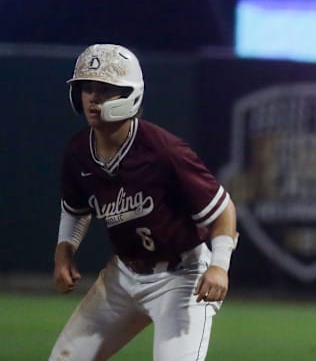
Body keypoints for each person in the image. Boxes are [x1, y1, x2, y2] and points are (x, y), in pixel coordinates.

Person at [50, 44, 238, 360]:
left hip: (181, 278)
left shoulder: (164, 151)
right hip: (122, 276)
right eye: (87, 88)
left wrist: (219, 266)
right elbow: (75, 209)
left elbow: (223, 211)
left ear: (130, 94)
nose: (93, 98)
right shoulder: (78, 150)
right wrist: (64, 252)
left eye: (106, 90)